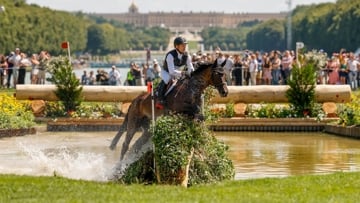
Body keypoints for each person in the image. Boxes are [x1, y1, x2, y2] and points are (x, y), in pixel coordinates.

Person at [155, 36, 194, 109]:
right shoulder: (170, 55)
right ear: (176, 46)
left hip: (178, 71)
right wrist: (183, 73)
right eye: (182, 45)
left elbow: (191, 68)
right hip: (167, 71)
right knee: (168, 79)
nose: (184, 47)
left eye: (185, 45)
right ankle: (160, 99)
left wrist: (192, 74)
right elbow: (172, 72)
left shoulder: (187, 55)